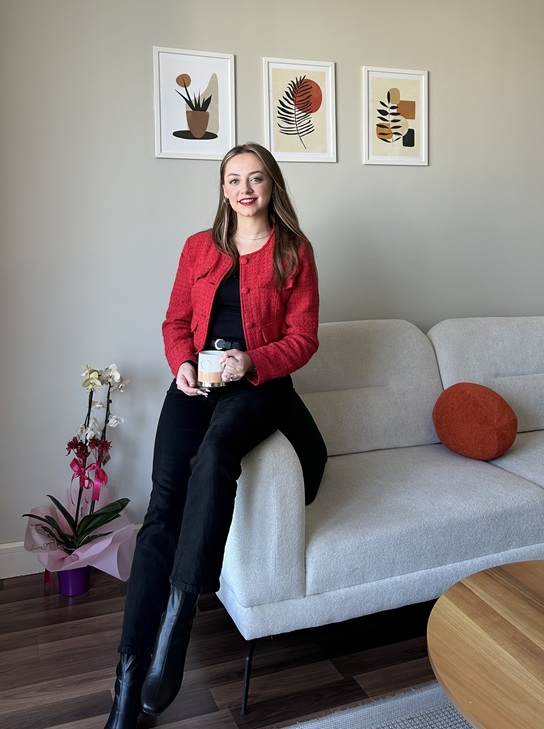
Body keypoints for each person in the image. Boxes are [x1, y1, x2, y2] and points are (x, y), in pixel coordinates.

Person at [104, 142, 325, 729]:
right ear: (223, 189)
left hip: (258, 384)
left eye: (256, 179)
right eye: (233, 180)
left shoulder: (294, 252)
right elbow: (176, 321)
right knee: (161, 513)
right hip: (197, 383)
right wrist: (181, 363)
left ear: (272, 186)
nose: (244, 189)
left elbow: (303, 338)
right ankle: (127, 684)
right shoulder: (198, 247)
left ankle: (179, 620)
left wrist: (252, 361)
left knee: (216, 452)